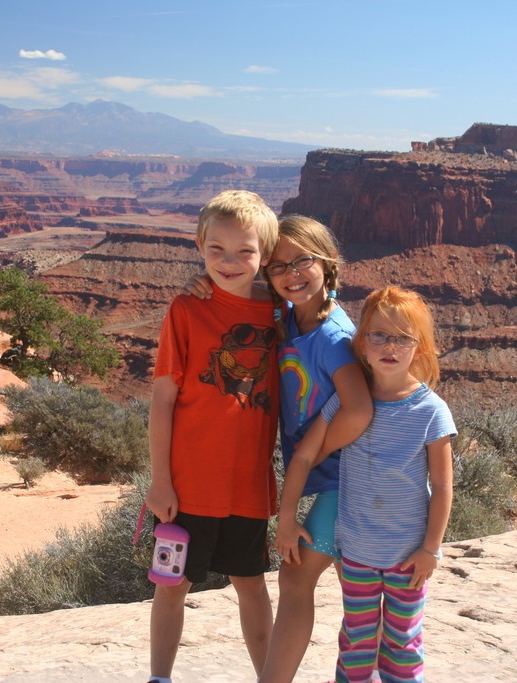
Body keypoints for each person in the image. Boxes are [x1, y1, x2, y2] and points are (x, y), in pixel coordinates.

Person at [183, 214, 373, 683]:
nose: (291, 274)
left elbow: (360, 410)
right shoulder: (289, 315)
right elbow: (241, 291)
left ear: (327, 263)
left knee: (296, 579)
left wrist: (313, 451)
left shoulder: (333, 337)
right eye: (278, 265)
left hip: (347, 485)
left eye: (302, 261)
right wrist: (203, 281)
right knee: (305, 582)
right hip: (328, 481)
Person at [276, 285, 455, 683]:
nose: (389, 346)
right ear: (362, 341)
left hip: (408, 557)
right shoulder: (345, 400)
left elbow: (442, 488)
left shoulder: (431, 411)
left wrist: (431, 549)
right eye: (378, 335)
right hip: (356, 551)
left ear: (420, 349)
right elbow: (305, 455)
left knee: (402, 644)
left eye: (402, 337)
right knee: (355, 640)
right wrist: (286, 518)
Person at [144, 190, 281, 683]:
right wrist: (161, 482)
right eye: (216, 249)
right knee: (171, 584)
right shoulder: (186, 308)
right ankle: (160, 676)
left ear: (264, 255)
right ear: (200, 247)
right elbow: (162, 399)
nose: (229, 261)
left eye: (244, 251)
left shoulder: (279, 314)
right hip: (188, 485)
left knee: (252, 586)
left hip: (247, 483)